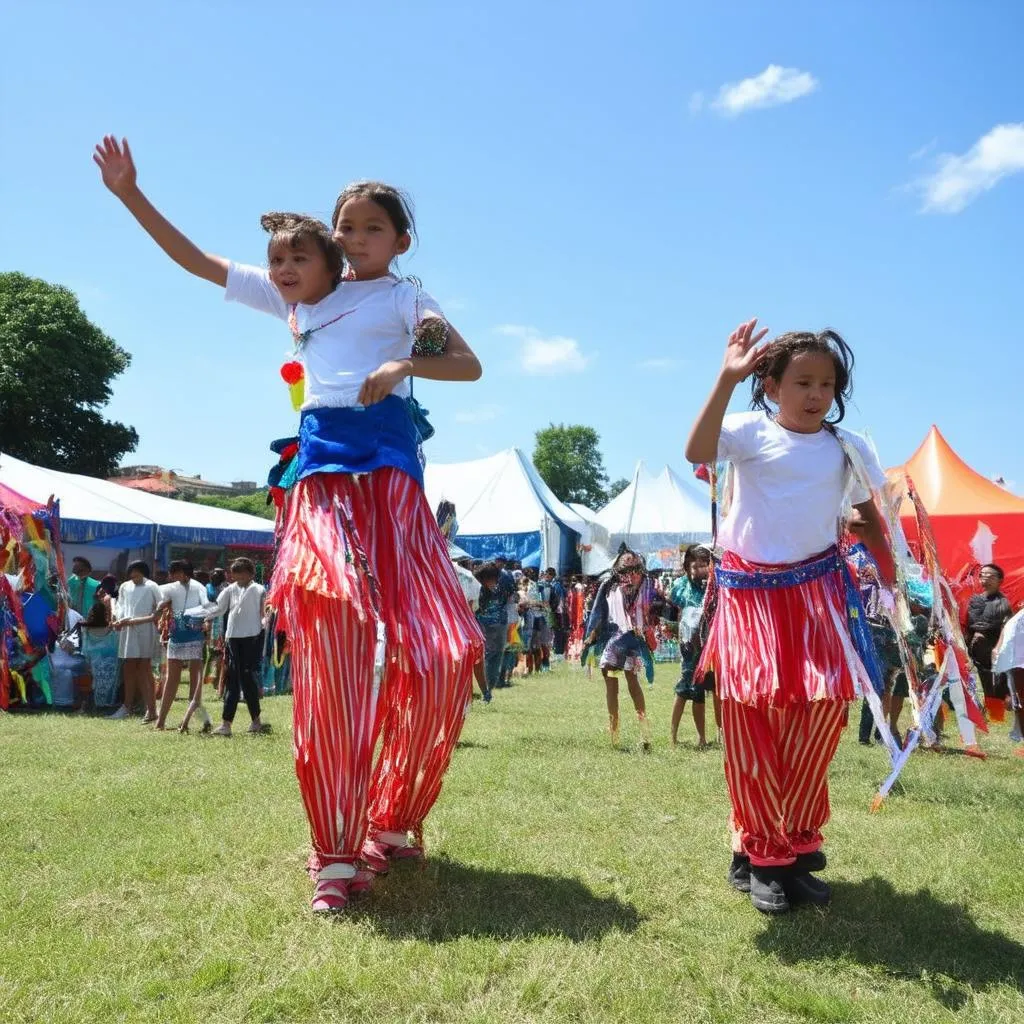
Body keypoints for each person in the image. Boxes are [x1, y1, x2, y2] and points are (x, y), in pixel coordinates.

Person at [95, 137, 483, 913]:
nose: (357, 237)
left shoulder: (409, 301)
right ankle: (335, 855)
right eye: (347, 225)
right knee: (336, 638)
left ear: (401, 240)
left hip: (395, 493)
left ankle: (393, 819)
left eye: (374, 227)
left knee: (446, 653)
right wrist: (130, 195)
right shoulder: (303, 298)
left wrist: (403, 366)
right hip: (319, 486)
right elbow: (200, 262)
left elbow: (465, 365)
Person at [685, 321, 893, 915]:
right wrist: (726, 379)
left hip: (821, 592)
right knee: (755, 718)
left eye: (827, 383)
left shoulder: (848, 446)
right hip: (751, 596)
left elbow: (867, 517)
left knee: (823, 712)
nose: (816, 394)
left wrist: (894, 577)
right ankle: (763, 854)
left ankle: (796, 842)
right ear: (771, 385)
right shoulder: (749, 431)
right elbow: (698, 451)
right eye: (802, 381)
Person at [582, 549, 658, 750]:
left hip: (634, 641)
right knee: (611, 684)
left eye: (635, 568)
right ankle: (614, 732)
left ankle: (645, 733)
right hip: (613, 641)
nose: (630, 573)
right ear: (617, 568)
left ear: (640, 568)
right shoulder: (609, 586)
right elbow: (599, 613)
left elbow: (655, 610)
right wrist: (591, 636)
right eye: (625, 568)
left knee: (633, 683)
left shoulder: (646, 585)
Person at [191, 558, 268, 737]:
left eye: (240, 573)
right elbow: (218, 608)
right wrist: (202, 616)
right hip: (232, 637)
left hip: (252, 637)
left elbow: (263, 613)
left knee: (247, 678)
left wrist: (264, 625)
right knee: (233, 679)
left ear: (250, 573)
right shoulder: (230, 589)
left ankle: (255, 720)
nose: (237, 577)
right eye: (235, 574)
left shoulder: (259, 589)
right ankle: (227, 723)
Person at [668, 545, 718, 748]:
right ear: (687, 567)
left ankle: (711, 736)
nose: (699, 570)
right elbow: (673, 611)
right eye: (695, 566)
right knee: (685, 690)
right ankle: (674, 736)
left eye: (704, 565)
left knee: (713, 689)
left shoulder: (716, 586)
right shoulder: (681, 585)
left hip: (712, 645)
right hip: (690, 647)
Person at [155, 559, 212, 733]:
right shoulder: (171, 588)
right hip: (177, 634)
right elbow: (159, 602)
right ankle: (160, 722)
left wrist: (207, 622)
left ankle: (202, 721)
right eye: (172, 573)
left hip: (194, 633)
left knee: (195, 682)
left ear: (184, 572)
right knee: (173, 678)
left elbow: (206, 606)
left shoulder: (199, 587)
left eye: (175, 572)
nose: (172, 576)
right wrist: (161, 607)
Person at [108, 560, 162, 722]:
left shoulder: (152, 586)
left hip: (145, 631)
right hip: (127, 632)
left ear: (143, 573)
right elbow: (120, 606)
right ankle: (126, 706)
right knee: (129, 667)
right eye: (132, 574)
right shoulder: (125, 586)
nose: (134, 577)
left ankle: (151, 709)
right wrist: (116, 618)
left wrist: (131, 621)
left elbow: (158, 612)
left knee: (145, 668)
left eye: (137, 575)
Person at [966, 564, 1012, 716]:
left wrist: (984, 628)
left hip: (996, 646)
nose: (986, 578)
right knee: (980, 680)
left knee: (998, 682)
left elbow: (1004, 625)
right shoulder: (974, 600)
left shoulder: (1004, 603)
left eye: (991, 576)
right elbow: (973, 622)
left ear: (1000, 580)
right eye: (983, 575)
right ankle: (981, 709)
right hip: (976, 648)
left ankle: (997, 709)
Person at [474, 561, 513, 700]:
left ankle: (487, 690)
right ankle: (485, 690)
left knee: (493, 656)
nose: (496, 581)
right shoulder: (479, 588)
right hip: (485, 625)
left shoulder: (495, 584)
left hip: (494, 623)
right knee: (489, 657)